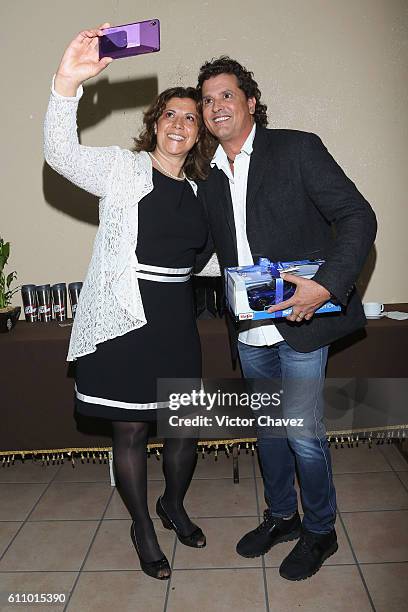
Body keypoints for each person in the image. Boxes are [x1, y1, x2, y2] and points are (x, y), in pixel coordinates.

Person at [196, 56, 377, 581]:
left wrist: (326, 285)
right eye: (208, 100)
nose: (215, 107)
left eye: (226, 95)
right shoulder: (210, 179)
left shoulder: (297, 149)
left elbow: (358, 216)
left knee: (302, 433)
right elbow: (203, 250)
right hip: (249, 329)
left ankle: (321, 530)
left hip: (300, 323)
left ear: (250, 102)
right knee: (269, 432)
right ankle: (282, 517)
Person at [44, 25, 212, 581]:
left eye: (191, 117)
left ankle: (173, 504)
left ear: (198, 134)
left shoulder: (200, 194)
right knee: (133, 431)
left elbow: (212, 257)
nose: (180, 124)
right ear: (155, 124)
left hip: (175, 321)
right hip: (123, 319)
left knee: (184, 427)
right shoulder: (121, 170)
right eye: (170, 114)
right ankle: (143, 524)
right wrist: (67, 82)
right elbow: (60, 152)